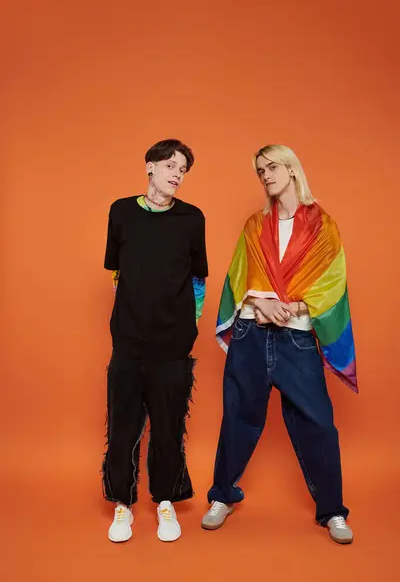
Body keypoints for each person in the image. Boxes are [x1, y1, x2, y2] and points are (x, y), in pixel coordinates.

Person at [201, 144, 357, 544]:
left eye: (272, 167)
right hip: (252, 336)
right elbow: (238, 279)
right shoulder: (255, 225)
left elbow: (332, 283)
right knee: (238, 416)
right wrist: (259, 300)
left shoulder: (324, 225)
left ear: (291, 169)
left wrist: (295, 304)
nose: (266, 175)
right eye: (260, 171)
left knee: (318, 423)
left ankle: (333, 510)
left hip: (297, 339)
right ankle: (222, 496)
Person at [103, 139, 208, 543]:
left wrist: (189, 327)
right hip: (128, 342)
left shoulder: (192, 218)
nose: (177, 173)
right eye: (169, 164)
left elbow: (198, 279)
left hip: (173, 345)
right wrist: (126, 320)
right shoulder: (121, 211)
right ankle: (122, 505)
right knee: (124, 425)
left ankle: (165, 501)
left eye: (182, 168)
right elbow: (118, 273)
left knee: (168, 427)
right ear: (150, 167)